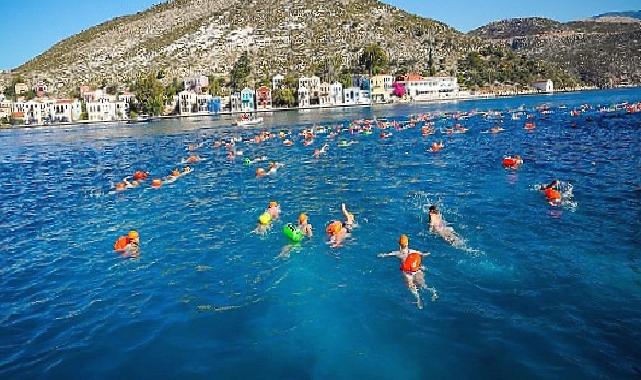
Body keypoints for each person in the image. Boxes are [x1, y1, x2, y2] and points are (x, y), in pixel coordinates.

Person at [377, 234, 433, 309]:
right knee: (422, 284)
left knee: (411, 287)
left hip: (407, 273)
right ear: (407, 243)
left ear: (399, 244)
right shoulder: (413, 251)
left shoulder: (398, 253)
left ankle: (418, 299)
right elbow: (422, 254)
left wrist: (381, 255)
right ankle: (432, 291)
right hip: (416, 270)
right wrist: (428, 253)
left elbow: (387, 255)